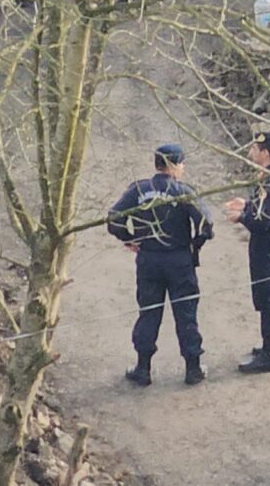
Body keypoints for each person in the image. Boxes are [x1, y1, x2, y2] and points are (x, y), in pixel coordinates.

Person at [108, 144, 215, 387]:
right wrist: (194, 246)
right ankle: (193, 369)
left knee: (149, 312)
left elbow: (113, 216)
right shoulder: (183, 192)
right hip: (179, 260)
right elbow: (207, 224)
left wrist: (128, 238)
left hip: (149, 260)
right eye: (182, 164)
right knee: (186, 313)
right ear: (174, 165)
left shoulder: (139, 189)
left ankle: (143, 369)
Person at [224, 131, 270, 374]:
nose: (250, 153)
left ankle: (269, 353)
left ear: (266, 153)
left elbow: (263, 220)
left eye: (255, 149)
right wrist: (247, 205)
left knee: (267, 296)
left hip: (267, 242)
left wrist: (241, 217)